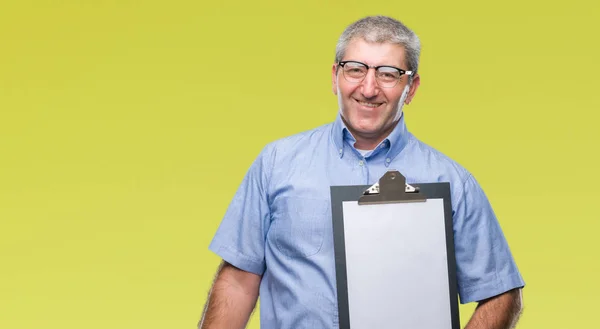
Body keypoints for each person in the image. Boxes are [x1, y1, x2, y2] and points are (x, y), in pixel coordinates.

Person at [199, 15, 525, 329]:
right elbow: (238, 282)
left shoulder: (451, 182)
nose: (368, 89)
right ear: (334, 77)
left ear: (410, 88)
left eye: (388, 74)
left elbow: (501, 293)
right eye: (355, 70)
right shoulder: (277, 164)